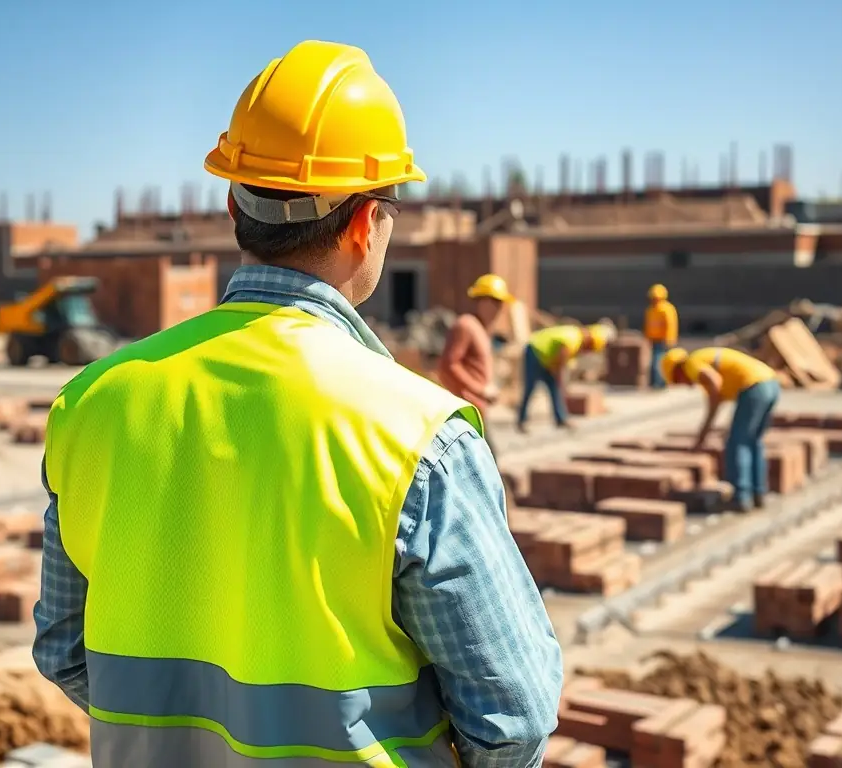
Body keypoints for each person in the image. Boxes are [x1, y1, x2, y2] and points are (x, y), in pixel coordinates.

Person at [32, 40, 561, 768]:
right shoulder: (418, 438)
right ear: (364, 223)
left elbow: (63, 648)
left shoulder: (92, 404)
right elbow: (512, 719)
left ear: (232, 204)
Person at [660, 346, 780, 512]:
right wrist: (703, 435)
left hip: (754, 386)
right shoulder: (702, 360)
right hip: (771, 383)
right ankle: (758, 493)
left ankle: (740, 497)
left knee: (737, 443)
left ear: (677, 370)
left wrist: (704, 434)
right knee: (753, 441)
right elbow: (714, 403)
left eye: (677, 380)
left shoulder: (691, 364)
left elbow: (715, 384)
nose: (685, 385)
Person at [437, 273, 512, 459]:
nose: (499, 309)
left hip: (476, 410)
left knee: (486, 462)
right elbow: (449, 365)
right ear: (482, 301)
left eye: (501, 304)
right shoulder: (465, 325)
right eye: (496, 302)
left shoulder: (480, 329)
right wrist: (480, 390)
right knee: (487, 463)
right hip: (465, 411)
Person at [516, 321, 616, 433]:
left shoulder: (576, 339)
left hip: (547, 357)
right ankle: (522, 420)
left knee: (554, 387)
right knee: (530, 387)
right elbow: (560, 363)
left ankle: (561, 418)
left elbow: (562, 363)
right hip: (535, 350)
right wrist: (560, 379)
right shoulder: (572, 341)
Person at [643, 283, 678, 389]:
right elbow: (648, 324)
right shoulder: (651, 310)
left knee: (659, 361)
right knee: (655, 361)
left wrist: (669, 339)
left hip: (663, 340)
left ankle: (660, 383)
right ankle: (657, 382)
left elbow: (670, 325)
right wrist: (647, 337)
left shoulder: (667, 309)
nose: (654, 300)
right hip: (654, 339)